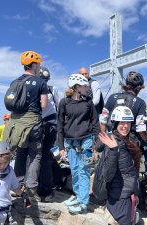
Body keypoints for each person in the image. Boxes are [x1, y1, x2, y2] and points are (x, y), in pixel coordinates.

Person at [3, 50, 48, 201]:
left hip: (16, 124)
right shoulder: (41, 82)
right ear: (34, 64)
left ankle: (15, 185)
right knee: (35, 155)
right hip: (33, 122)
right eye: (39, 63)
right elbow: (43, 105)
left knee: (17, 153)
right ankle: (31, 188)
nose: (40, 66)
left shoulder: (15, 82)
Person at [57, 74, 99, 214]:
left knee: (84, 171)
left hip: (86, 140)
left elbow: (95, 122)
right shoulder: (64, 102)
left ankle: (83, 202)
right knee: (74, 170)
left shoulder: (88, 102)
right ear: (76, 87)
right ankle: (78, 196)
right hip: (69, 142)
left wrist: (94, 145)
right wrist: (61, 146)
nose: (87, 88)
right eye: (84, 86)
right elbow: (60, 125)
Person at [99, 71, 147, 172]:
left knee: (111, 170)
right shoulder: (140, 102)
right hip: (130, 143)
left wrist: (103, 137)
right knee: (130, 173)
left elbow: (103, 121)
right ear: (139, 87)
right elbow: (141, 129)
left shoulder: (111, 97)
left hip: (111, 140)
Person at [97, 106, 140, 225]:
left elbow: (131, 173)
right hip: (119, 197)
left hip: (127, 194)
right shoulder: (112, 143)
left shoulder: (129, 141)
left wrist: (135, 193)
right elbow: (107, 175)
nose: (126, 126)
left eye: (128, 123)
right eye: (122, 122)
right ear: (115, 123)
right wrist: (113, 150)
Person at [37, 66, 60, 201]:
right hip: (37, 126)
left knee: (44, 157)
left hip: (49, 126)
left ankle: (46, 188)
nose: (44, 83)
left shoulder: (52, 89)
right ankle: (41, 186)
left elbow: (59, 107)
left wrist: (58, 128)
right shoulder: (35, 90)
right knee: (38, 157)